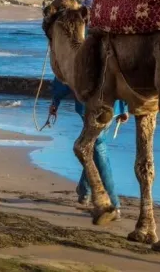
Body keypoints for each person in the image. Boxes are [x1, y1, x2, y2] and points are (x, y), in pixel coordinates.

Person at [49, 77, 127, 216]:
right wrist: (125, 106)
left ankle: (112, 202)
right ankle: (85, 190)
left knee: (97, 145)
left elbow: (67, 73)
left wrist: (56, 100)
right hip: (112, 105)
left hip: (94, 106)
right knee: (95, 144)